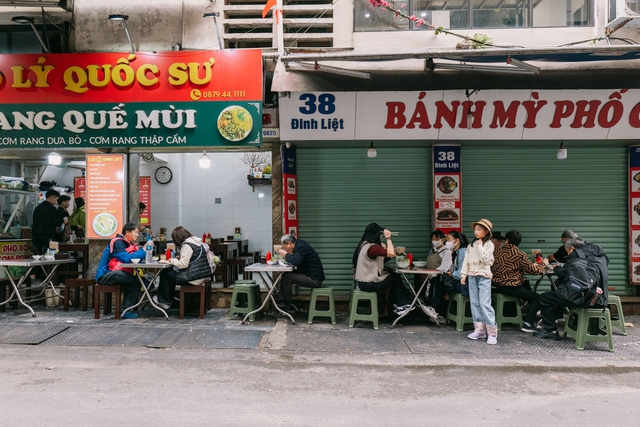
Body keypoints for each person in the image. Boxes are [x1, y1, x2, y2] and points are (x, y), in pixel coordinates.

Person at [533, 237, 609, 340]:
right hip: (601, 297)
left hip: (587, 299)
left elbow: (564, 274)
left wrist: (556, 268)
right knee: (559, 290)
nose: (568, 254)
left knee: (545, 298)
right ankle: (571, 322)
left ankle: (551, 330)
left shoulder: (577, 258)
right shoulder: (598, 255)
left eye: (567, 251)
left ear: (572, 248)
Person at [352, 223, 413, 316]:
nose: (381, 237)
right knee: (395, 277)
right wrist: (388, 238)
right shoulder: (372, 247)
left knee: (391, 276)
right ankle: (402, 304)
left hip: (362, 282)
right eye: (380, 235)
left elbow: (378, 260)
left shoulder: (364, 245)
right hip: (368, 283)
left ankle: (398, 303)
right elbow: (391, 253)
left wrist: (385, 248)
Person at [492, 230, 545, 333]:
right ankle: (528, 323)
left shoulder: (496, 252)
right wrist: (543, 263)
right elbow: (534, 271)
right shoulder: (520, 255)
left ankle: (530, 310)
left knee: (525, 282)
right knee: (537, 298)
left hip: (495, 285)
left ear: (506, 241)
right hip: (509, 287)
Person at [153, 226, 215, 310]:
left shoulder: (187, 245)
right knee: (170, 273)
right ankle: (168, 299)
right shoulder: (196, 242)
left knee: (166, 274)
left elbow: (183, 264)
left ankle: (165, 301)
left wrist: (171, 260)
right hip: (199, 276)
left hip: (192, 278)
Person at [95, 222, 148, 319]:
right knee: (130, 278)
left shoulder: (127, 243)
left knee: (135, 282)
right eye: (135, 232)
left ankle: (125, 311)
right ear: (127, 232)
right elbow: (127, 258)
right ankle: (146, 283)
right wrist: (144, 250)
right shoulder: (117, 242)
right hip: (104, 275)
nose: (137, 235)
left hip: (116, 273)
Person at [461, 219, 497, 344]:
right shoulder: (471, 245)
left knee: (485, 303)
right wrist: (463, 274)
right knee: (475, 303)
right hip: (472, 276)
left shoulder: (489, 245)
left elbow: (485, 259)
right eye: (475, 229)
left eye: (479, 229)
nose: (476, 232)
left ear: (486, 231)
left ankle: (492, 333)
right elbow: (466, 260)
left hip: (484, 276)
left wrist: (480, 246)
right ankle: (479, 331)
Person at [276, 233, 325, 314]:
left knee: (287, 277)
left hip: (314, 279)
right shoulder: (300, 244)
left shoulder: (300, 247)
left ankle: (285, 304)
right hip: (310, 275)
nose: (285, 250)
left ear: (290, 244)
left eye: (285, 248)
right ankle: (282, 299)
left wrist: (286, 255)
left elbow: (296, 261)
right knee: (286, 275)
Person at [431, 230, 469, 317]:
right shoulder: (456, 252)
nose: (446, 242)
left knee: (437, 282)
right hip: (459, 282)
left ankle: (436, 309)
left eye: (448, 240)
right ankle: (439, 310)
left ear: (457, 241)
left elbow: (462, 273)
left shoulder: (462, 252)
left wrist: (451, 274)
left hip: (464, 285)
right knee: (437, 281)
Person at [32, 189, 67, 255]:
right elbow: (52, 221)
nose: (56, 202)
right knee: (47, 256)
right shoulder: (51, 208)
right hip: (46, 237)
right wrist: (62, 221)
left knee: (37, 257)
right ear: (52, 198)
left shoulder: (38, 207)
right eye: (56, 199)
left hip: (35, 236)